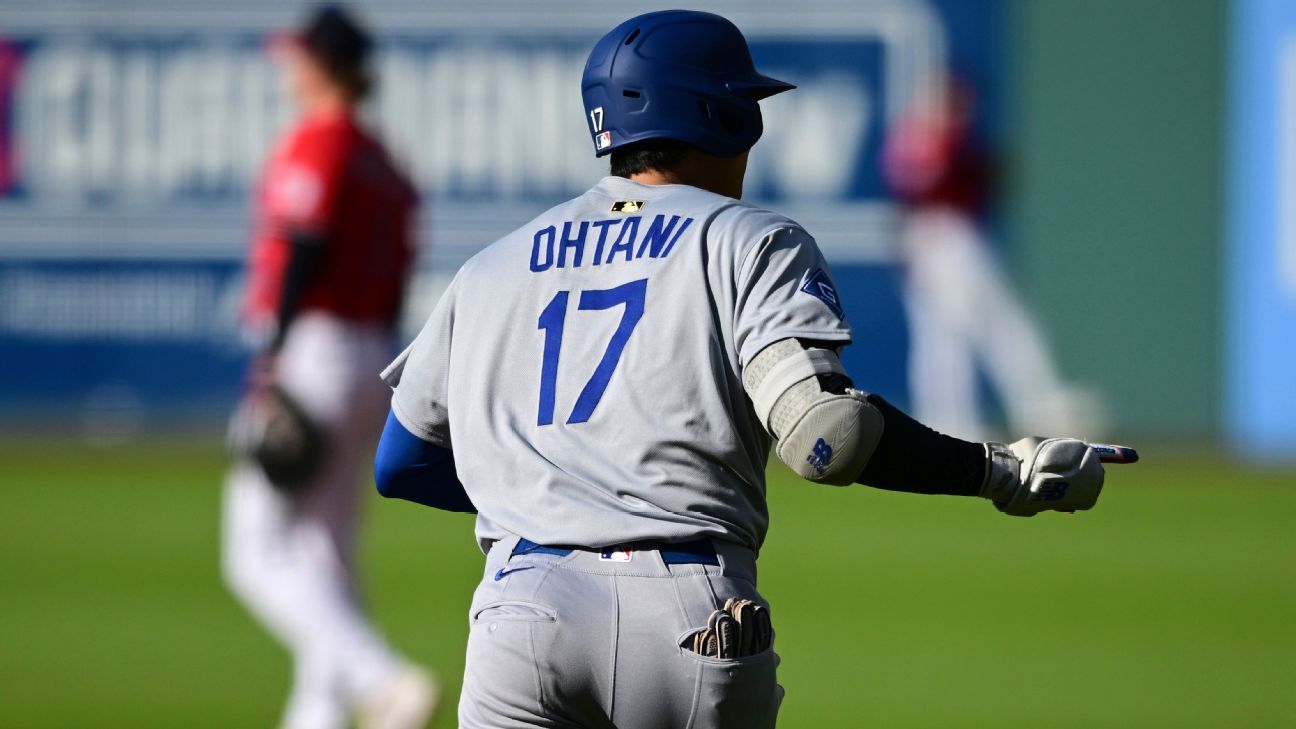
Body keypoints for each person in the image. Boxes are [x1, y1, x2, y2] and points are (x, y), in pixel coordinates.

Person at [375, 10, 1117, 728]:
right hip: (685, 611)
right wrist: (999, 472)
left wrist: (554, 497)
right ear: (722, 117)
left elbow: (401, 463)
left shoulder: (489, 268)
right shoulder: (747, 240)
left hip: (520, 614)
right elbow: (826, 437)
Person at [220, 6, 437, 729]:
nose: (287, 66)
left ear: (321, 65)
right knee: (324, 557)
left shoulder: (321, 141)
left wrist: (273, 357)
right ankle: (319, 715)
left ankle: (382, 678)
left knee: (255, 551)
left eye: (297, 56)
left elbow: (304, 246)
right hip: (371, 352)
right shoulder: (388, 162)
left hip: (314, 349)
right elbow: (398, 273)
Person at [884, 78, 1101, 440]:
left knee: (948, 339)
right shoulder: (931, 138)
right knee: (968, 335)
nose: (962, 111)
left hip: (927, 239)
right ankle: (1018, 412)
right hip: (945, 238)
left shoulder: (916, 137)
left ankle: (955, 423)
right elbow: (938, 180)